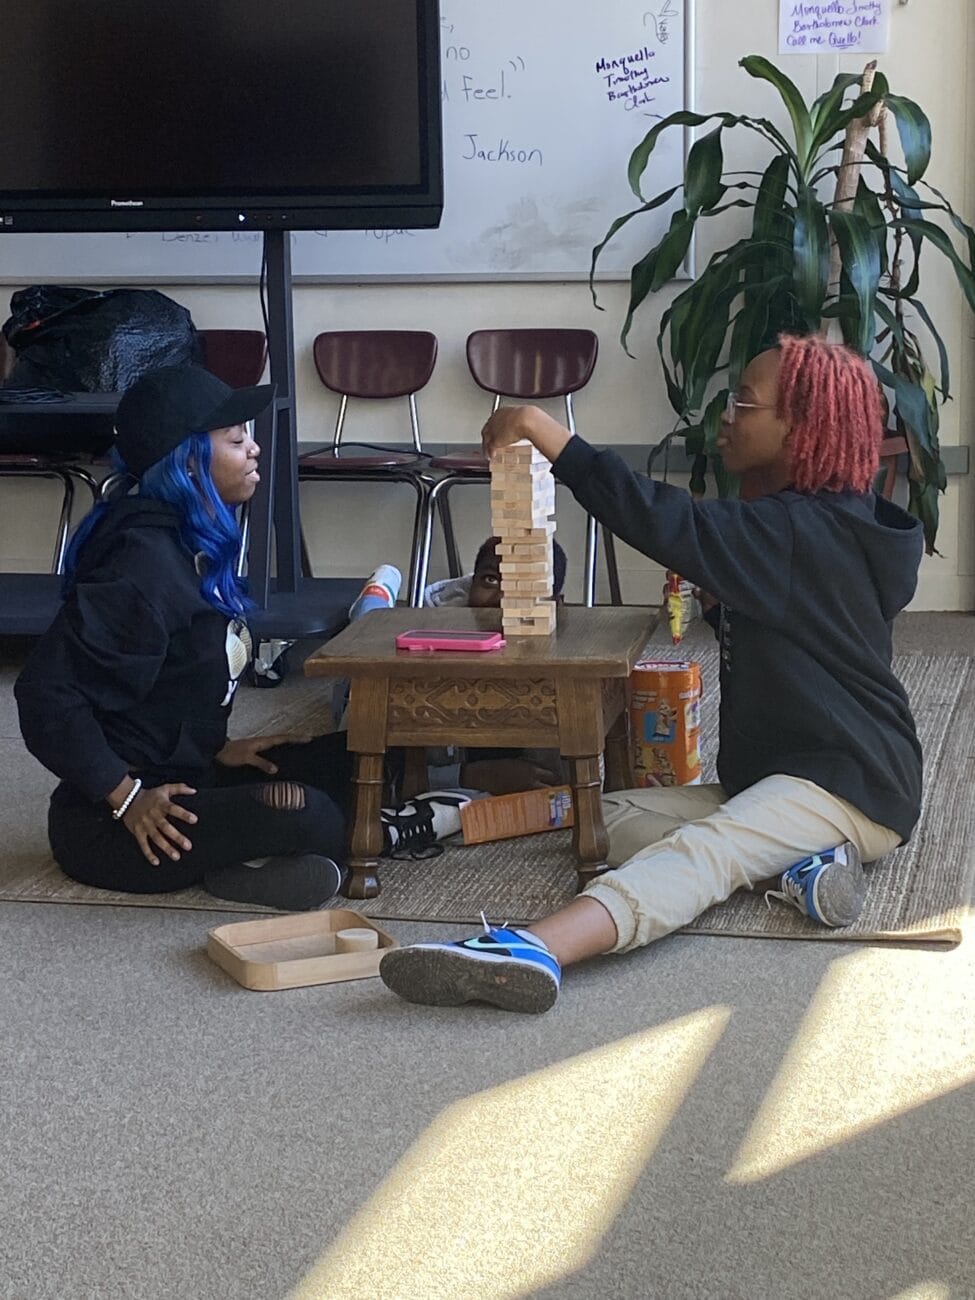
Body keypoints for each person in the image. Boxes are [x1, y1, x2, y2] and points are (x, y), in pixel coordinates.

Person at [379, 333, 924, 1013]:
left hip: (850, 780)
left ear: (800, 427)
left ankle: (531, 948)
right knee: (601, 819)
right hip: (785, 776)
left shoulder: (794, 532)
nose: (725, 415)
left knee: (707, 852)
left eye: (742, 403)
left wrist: (542, 429)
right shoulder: (816, 528)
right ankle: (803, 864)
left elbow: (659, 517)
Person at [15, 364, 361, 911]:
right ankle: (248, 864)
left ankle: (247, 860)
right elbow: (44, 694)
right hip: (124, 824)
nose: (253, 451)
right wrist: (126, 797)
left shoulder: (189, 543)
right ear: (189, 462)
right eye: (235, 439)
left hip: (190, 773)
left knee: (360, 759)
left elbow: (174, 680)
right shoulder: (141, 568)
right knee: (309, 813)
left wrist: (218, 749)